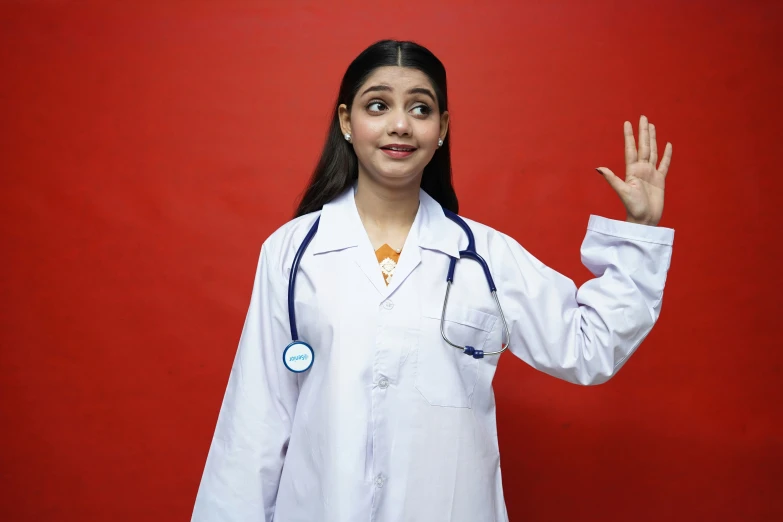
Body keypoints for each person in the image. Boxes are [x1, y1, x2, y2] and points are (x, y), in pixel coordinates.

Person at [191, 39, 674, 522]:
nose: (399, 124)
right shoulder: (291, 253)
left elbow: (588, 347)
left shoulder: (482, 258)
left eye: (420, 108)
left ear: (441, 127)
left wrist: (639, 233)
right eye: (377, 105)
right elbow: (254, 423)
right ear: (345, 122)